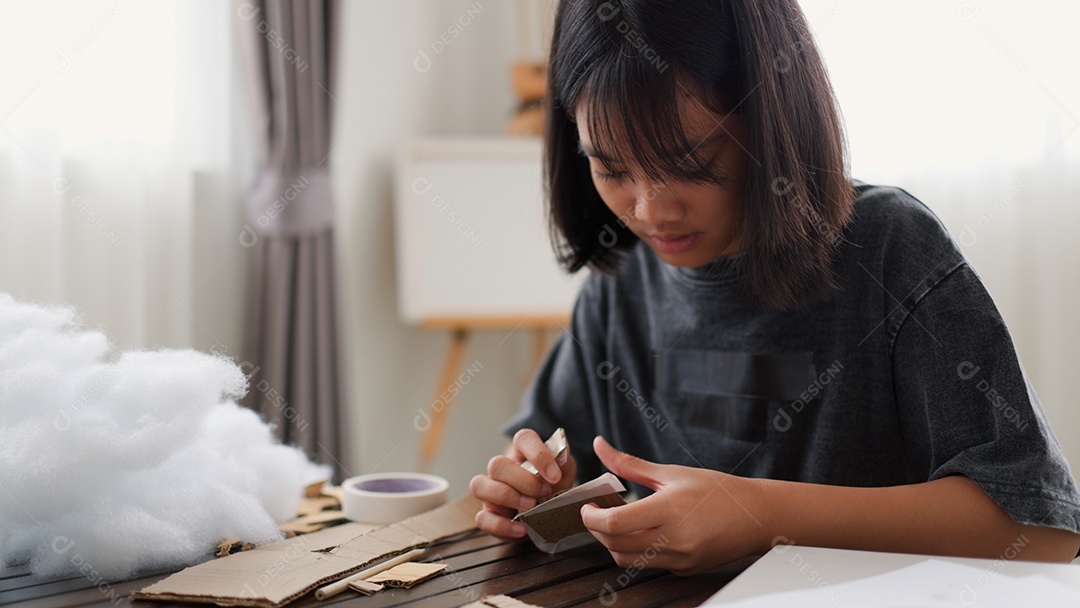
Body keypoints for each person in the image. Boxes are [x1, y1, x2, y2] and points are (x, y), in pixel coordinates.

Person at [468, 0, 1080, 573]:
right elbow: (561, 475)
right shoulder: (621, 279)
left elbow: (1043, 530)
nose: (651, 210)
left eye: (690, 163)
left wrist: (761, 515)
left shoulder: (891, 250)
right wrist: (539, 491)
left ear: (770, 118)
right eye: (612, 168)